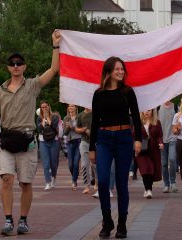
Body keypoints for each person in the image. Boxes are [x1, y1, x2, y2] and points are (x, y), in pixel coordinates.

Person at [0, 29, 61, 236]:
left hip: (27, 141)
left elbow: (54, 70)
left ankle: (23, 220)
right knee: (6, 179)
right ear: (8, 68)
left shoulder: (32, 86)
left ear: (24, 66)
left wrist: (55, 45)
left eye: (19, 63)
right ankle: (9, 220)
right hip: (7, 141)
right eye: (12, 64)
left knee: (25, 183)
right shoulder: (0, 91)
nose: (16, 66)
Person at [89, 56, 142, 239]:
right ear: (109, 71)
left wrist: (138, 140)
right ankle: (107, 220)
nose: (120, 72)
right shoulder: (99, 94)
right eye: (117, 69)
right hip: (103, 139)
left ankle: (122, 224)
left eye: (122, 69)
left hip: (124, 139)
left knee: (121, 184)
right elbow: (95, 121)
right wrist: (92, 147)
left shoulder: (128, 92)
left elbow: (136, 116)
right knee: (102, 180)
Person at [135, 108, 163, 199]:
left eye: (149, 110)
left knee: (151, 169)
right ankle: (148, 190)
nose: (146, 112)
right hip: (141, 150)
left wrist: (161, 143)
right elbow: (133, 135)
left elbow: (159, 135)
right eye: (145, 110)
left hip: (153, 149)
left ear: (153, 111)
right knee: (144, 169)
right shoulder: (138, 122)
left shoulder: (157, 122)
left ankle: (148, 189)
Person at [37, 101, 60, 191]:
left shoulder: (54, 117)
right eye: (42, 107)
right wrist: (43, 122)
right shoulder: (39, 118)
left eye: (45, 107)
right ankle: (47, 182)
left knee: (53, 163)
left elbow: (55, 127)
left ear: (49, 107)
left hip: (54, 141)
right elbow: (39, 130)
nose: (44, 109)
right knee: (46, 163)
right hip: (43, 142)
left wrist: (49, 121)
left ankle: (53, 177)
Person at [158, 100, 178, 193]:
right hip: (161, 140)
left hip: (173, 138)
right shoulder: (158, 108)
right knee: (164, 163)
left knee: (172, 159)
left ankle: (173, 182)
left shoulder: (175, 107)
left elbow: (179, 122)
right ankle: (166, 184)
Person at [76, 106, 95, 194]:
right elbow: (76, 128)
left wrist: (91, 132)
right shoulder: (80, 115)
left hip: (95, 142)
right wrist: (81, 130)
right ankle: (86, 186)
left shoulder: (95, 113)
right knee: (84, 164)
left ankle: (97, 183)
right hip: (84, 142)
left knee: (95, 164)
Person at [64, 104, 82, 191]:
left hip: (79, 141)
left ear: (76, 108)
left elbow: (82, 130)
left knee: (76, 163)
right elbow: (65, 133)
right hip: (70, 142)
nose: (70, 107)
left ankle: (74, 181)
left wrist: (73, 127)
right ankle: (75, 174)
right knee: (70, 165)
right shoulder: (66, 118)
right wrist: (67, 128)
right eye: (69, 106)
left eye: (72, 106)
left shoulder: (80, 117)